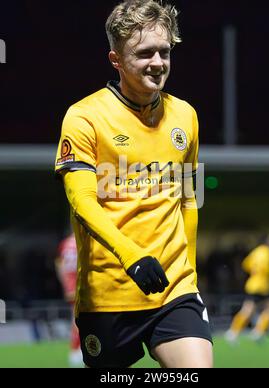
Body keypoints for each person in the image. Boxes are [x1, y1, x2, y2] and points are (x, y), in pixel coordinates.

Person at [55, 0, 212, 368]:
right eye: (144, 54)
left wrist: (189, 270)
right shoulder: (84, 117)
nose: (158, 62)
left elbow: (190, 198)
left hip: (176, 291)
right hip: (108, 295)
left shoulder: (186, 115)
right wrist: (131, 256)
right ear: (116, 60)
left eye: (164, 51)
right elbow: (82, 201)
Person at [225, 234, 269, 343]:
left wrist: (253, 271)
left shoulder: (256, 251)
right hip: (262, 285)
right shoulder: (267, 251)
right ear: (267, 241)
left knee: (265, 306)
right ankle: (252, 332)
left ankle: (241, 332)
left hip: (253, 283)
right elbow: (265, 268)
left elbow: (245, 264)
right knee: (263, 307)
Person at [55, 233, 83, 367]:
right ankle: (75, 350)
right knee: (78, 318)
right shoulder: (81, 240)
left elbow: (59, 263)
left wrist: (64, 283)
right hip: (80, 285)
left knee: (76, 316)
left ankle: (77, 349)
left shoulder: (65, 243)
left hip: (69, 285)